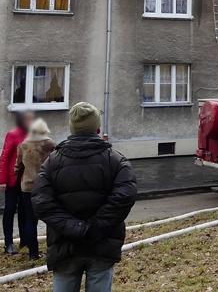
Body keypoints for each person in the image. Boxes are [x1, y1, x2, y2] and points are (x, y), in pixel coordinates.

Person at [33, 102, 137, 292]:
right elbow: (124, 197)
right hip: (102, 245)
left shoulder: (51, 163)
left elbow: (42, 202)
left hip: (65, 246)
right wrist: (93, 228)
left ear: (71, 129)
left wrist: (77, 229)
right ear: (97, 129)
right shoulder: (116, 160)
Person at [15, 118, 55, 260]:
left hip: (27, 187)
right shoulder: (49, 144)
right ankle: (53, 249)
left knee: (30, 220)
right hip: (46, 186)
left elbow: (18, 166)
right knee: (51, 218)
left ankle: (33, 254)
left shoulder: (23, 146)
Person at [0, 111, 35, 255]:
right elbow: (4, 157)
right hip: (12, 180)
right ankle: (8, 243)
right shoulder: (13, 135)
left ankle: (24, 240)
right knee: (9, 210)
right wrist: (2, 181)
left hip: (26, 180)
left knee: (25, 211)